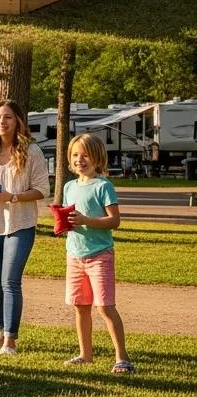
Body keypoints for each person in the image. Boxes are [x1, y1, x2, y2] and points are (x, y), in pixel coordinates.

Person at [0, 99, 49, 355]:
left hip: (20, 223)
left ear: (18, 121)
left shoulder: (32, 152)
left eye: (7, 117)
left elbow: (42, 190)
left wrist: (12, 197)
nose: (1, 122)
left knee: (10, 281)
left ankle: (10, 341)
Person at [62, 133, 134, 373]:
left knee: (104, 306)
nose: (80, 159)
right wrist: (63, 224)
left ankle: (122, 358)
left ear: (97, 158)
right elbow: (69, 217)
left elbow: (115, 221)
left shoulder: (104, 185)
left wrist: (85, 220)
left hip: (99, 254)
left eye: (85, 155)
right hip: (74, 255)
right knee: (80, 306)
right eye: (75, 155)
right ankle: (85, 354)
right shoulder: (69, 187)